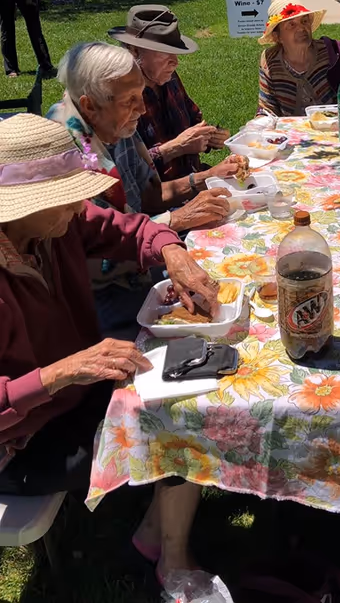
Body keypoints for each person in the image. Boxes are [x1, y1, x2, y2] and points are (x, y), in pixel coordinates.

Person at [0, 113, 218, 582]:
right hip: (19, 444)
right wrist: (60, 372)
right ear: (18, 207)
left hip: (74, 395)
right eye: (65, 198)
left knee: (187, 391)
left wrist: (172, 252)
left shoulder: (54, 227)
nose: (81, 208)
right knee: (176, 425)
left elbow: (130, 228)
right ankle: (172, 562)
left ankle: (153, 530)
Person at [48, 42, 242, 337]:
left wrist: (206, 176)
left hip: (143, 254)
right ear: (89, 105)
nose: (142, 108)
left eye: (142, 96)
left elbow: (149, 195)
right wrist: (175, 222)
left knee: (233, 267)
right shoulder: (66, 152)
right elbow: (93, 256)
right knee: (210, 317)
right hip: (99, 295)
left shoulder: (115, 121)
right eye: (131, 100)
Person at [109, 5, 230, 181]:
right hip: (160, 196)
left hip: (194, 178)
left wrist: (212, 135)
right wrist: (176, 147)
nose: (175, 62)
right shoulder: (119, 97)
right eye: (165, 53)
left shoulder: (168, 77)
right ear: (134, 50)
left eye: (175, 52)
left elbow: (194, 119)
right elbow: (127, 169)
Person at [258, 0, 340, 117]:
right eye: (291, 25)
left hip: (337, 128)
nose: (301, 28)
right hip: (293, 134)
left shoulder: (332, 52)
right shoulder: (270, 61)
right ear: (278, 37)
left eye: (304, 21)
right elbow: (267, 109)